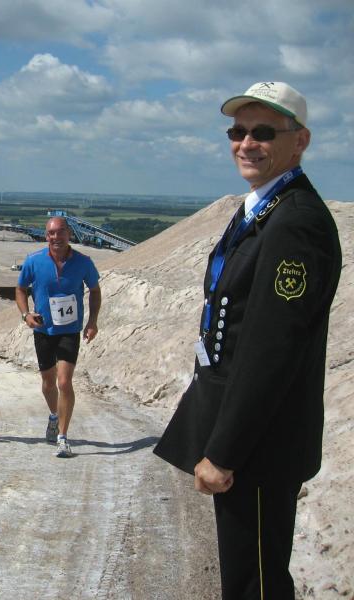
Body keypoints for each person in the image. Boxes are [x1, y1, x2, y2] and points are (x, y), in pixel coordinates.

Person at [153, 82, 342, 599]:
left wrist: (225, 452)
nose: (246, 143)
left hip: (260, 444)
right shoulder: (264, 208)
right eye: (237, 132)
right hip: (249, 433)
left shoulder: (295, 222)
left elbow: (270, 350)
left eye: (263, 132)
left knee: (255, 583)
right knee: (246, 575)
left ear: (299, 140)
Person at [15, 216, 102, 458]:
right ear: (46, 236)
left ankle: (63, 437)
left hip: (69, 330)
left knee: (64, 382)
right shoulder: (33, 261)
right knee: (47, 383)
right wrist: (25, 315)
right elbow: (20, 289)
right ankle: (54, 415)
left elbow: (95, 291)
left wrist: (92, 321)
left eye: (60, 232)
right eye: (51, 233)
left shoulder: (84, 262)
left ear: (69, 234)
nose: (56, 237)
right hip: (43, 329)